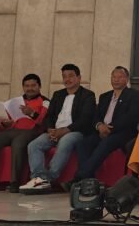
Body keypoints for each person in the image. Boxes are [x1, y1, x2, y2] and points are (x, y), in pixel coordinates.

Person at [20, 64, 96, 192]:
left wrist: (65, 130)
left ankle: (47, 178)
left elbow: (85, 119)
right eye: (64, 76)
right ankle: (38, 177)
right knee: (34, 145)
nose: (67, 79)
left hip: (74, 131)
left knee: (65, 141)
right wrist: (50, 129)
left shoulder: (87, 95)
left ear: (79, 78)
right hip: (55, 131)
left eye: (71, 76)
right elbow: (49, 116)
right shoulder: (58, 94)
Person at [0, 74, 49, 192]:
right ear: (23, 87)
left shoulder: (45, 101)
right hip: (13, 130)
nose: (30, 88)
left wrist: (32, 114)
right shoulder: (16, 101)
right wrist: (6, 123)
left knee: (18, 143)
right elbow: (12, 119)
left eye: (33, 85)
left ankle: (15, 182)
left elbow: (45, 122)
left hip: (32, 132)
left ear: (39, 86)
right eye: (27, 86)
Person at [75, 66, 139, 182]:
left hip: (122, 133)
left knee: (107, 143)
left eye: (120, 77)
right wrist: (99, 126)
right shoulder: (104, 96)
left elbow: (131, 116)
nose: (116, 80)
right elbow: (95, 116)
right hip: (102, 131)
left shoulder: (134, 95)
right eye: (114, 77)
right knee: (83, 143)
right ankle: (88, 179)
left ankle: (80, 177)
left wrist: (110, 128)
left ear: (127, 79)